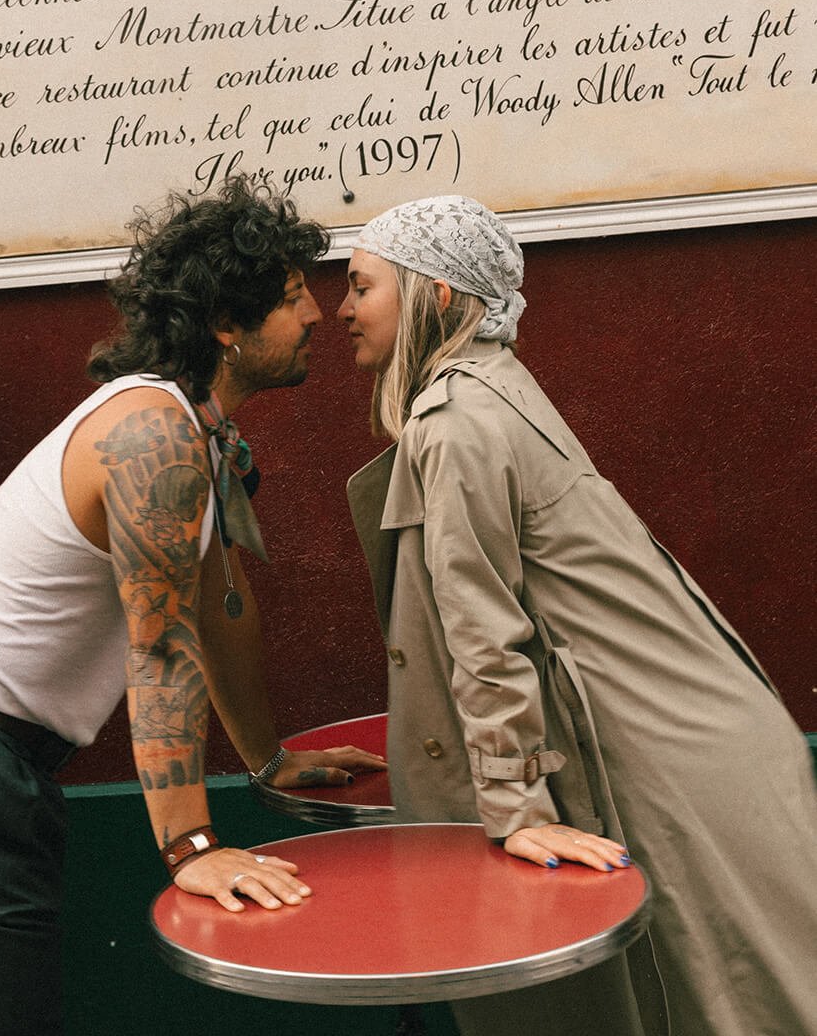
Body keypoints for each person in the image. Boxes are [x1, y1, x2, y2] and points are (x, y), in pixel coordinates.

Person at [0, 176, 384, 1036]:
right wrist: (190, 846)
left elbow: (218, 608)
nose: (314, 315)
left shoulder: (197, 429)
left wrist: (265, 759)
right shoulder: (152, 435)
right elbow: (160, 650)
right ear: (227, 325)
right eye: (294, 296)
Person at [338, 194, 817, 1036]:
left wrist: (516, 808)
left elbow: (482, 632)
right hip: (699, 738)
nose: (340, 310)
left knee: (737, 1002)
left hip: (672, 763)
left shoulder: (456, 423)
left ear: (436, 296)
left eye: (360, 286)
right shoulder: (492, 388)